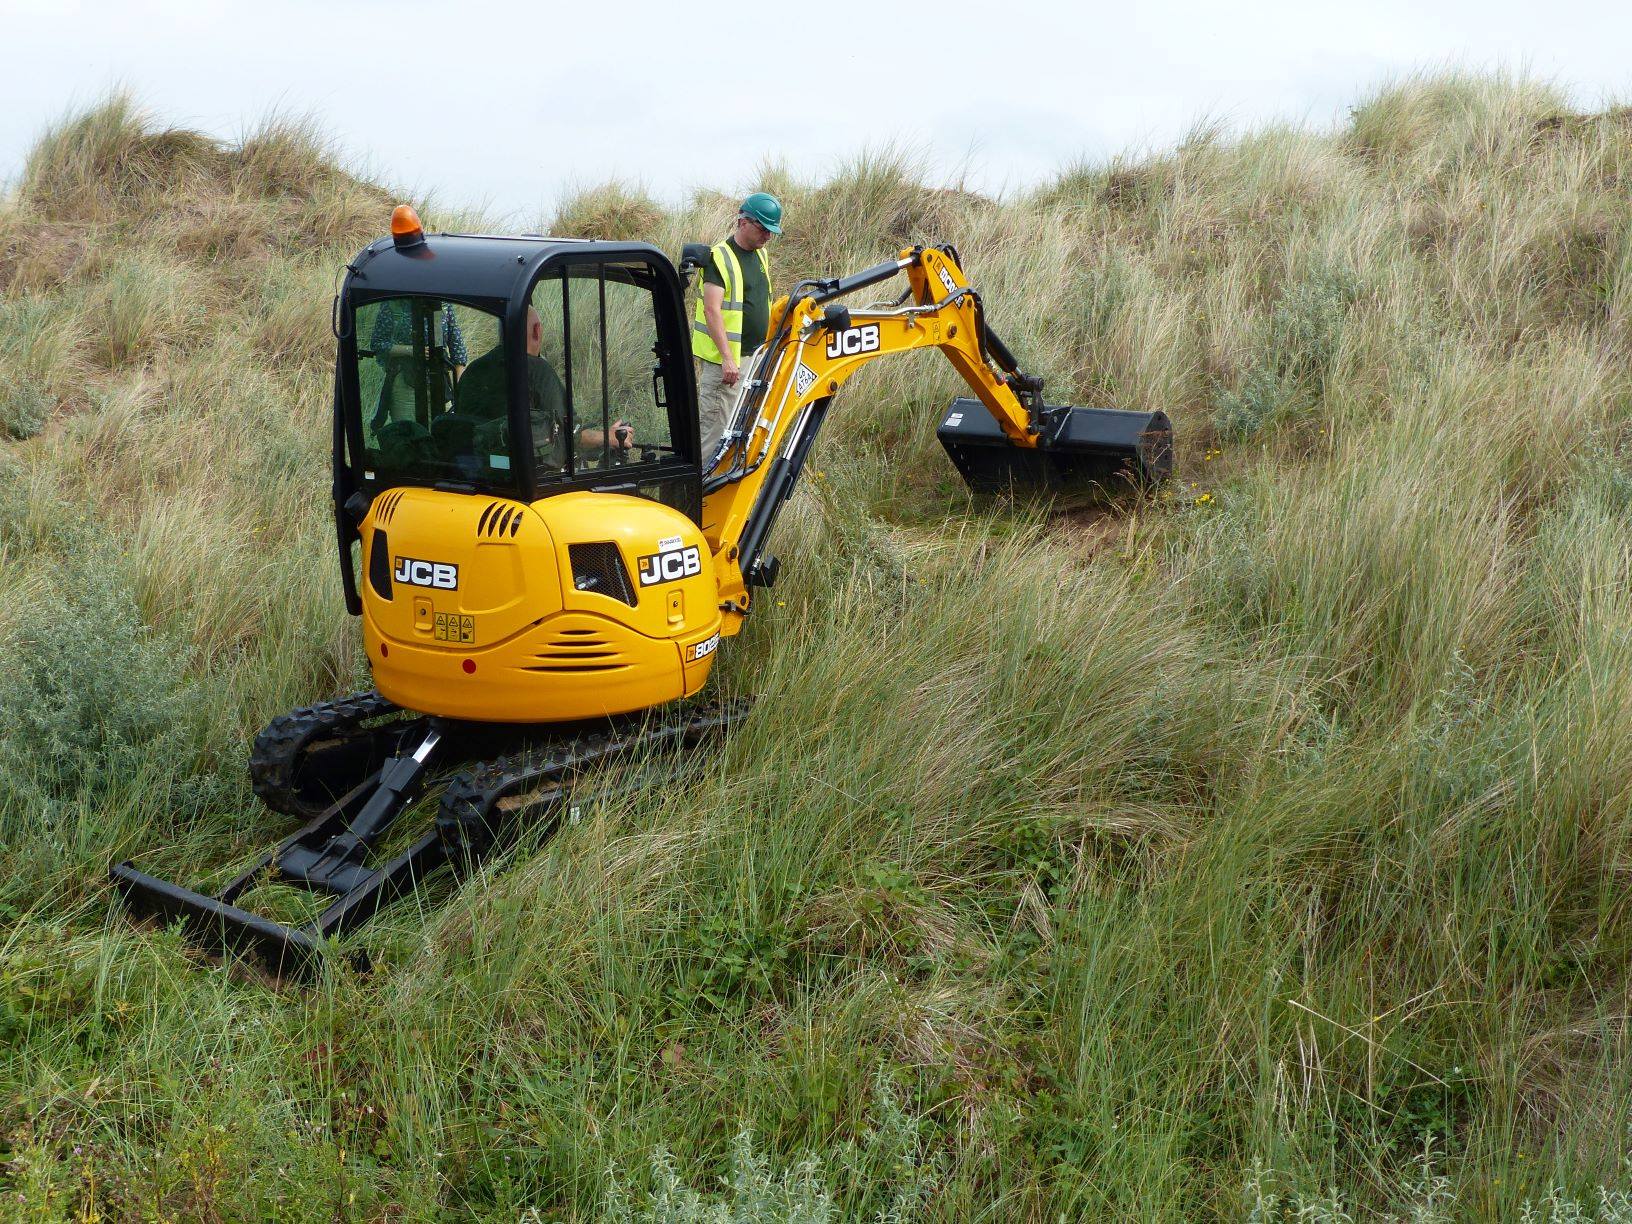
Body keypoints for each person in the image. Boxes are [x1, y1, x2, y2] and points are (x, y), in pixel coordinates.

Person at [458, 306, 632, 469]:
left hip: (477, 472)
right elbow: (567, 435)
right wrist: (609, 437)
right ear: (537, 330)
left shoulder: (473, 370)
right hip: (521, 480)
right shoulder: (537, 370)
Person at [693, 192, 781, 457]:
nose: (768, 237)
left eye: (771, 232)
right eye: (764, 229)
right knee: (714, 433)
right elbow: (712, 310)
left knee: (739, 429)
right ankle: (699, 493)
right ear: (744, 222)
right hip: (727, 366)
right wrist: (728, 359)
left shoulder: (761, 255)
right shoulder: (718, 258)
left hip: (752, 358)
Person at [368, 298, 467, 430]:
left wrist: (459, 389)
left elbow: (458, 350)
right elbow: (378, 343)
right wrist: (412, 350)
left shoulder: (443, 305)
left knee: (443, 437)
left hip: (440, 383)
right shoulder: (393, 305)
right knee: (409, 436)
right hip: (405, 381)